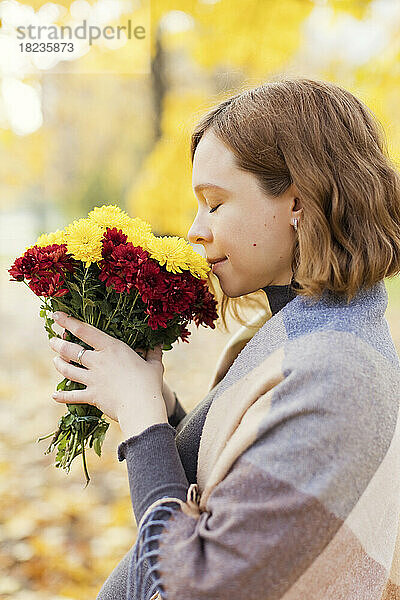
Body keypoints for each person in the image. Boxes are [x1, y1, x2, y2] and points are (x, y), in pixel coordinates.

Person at [49, 78, 400, 600]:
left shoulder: (335, 370)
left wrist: (143, 422)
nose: (195, 230)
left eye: (214, 204)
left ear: (298, 202)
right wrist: (161, 408)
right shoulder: (307, 329)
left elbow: (199, 586)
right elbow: (239, 483)